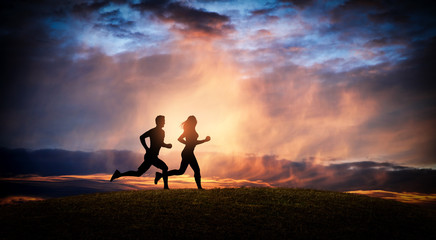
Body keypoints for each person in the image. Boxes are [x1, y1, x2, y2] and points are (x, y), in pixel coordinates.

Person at [110, 115, 172, 189]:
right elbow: (143, 137)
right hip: (151, 156)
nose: (164, 122)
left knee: (138, 173)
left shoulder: (159, 132)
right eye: (163, 121)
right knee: (164, 168)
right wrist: (147, 148)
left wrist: (165, 145)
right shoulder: (156, 131)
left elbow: (158, 142)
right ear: (159, 122)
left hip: (152, 156)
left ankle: (118, 174)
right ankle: (165, 186)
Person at [155, 115, 210, 189]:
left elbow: (194, 142)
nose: (195, 122)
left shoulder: (192, 130)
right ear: (192, 122)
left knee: (181, 171)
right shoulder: (188, 130)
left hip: (188, 152)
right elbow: (180, 138)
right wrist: (188, 143)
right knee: (196, 170)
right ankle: (199, 188)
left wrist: (204, 140)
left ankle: (160, 175)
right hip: (187, 153)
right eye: (194, 120)